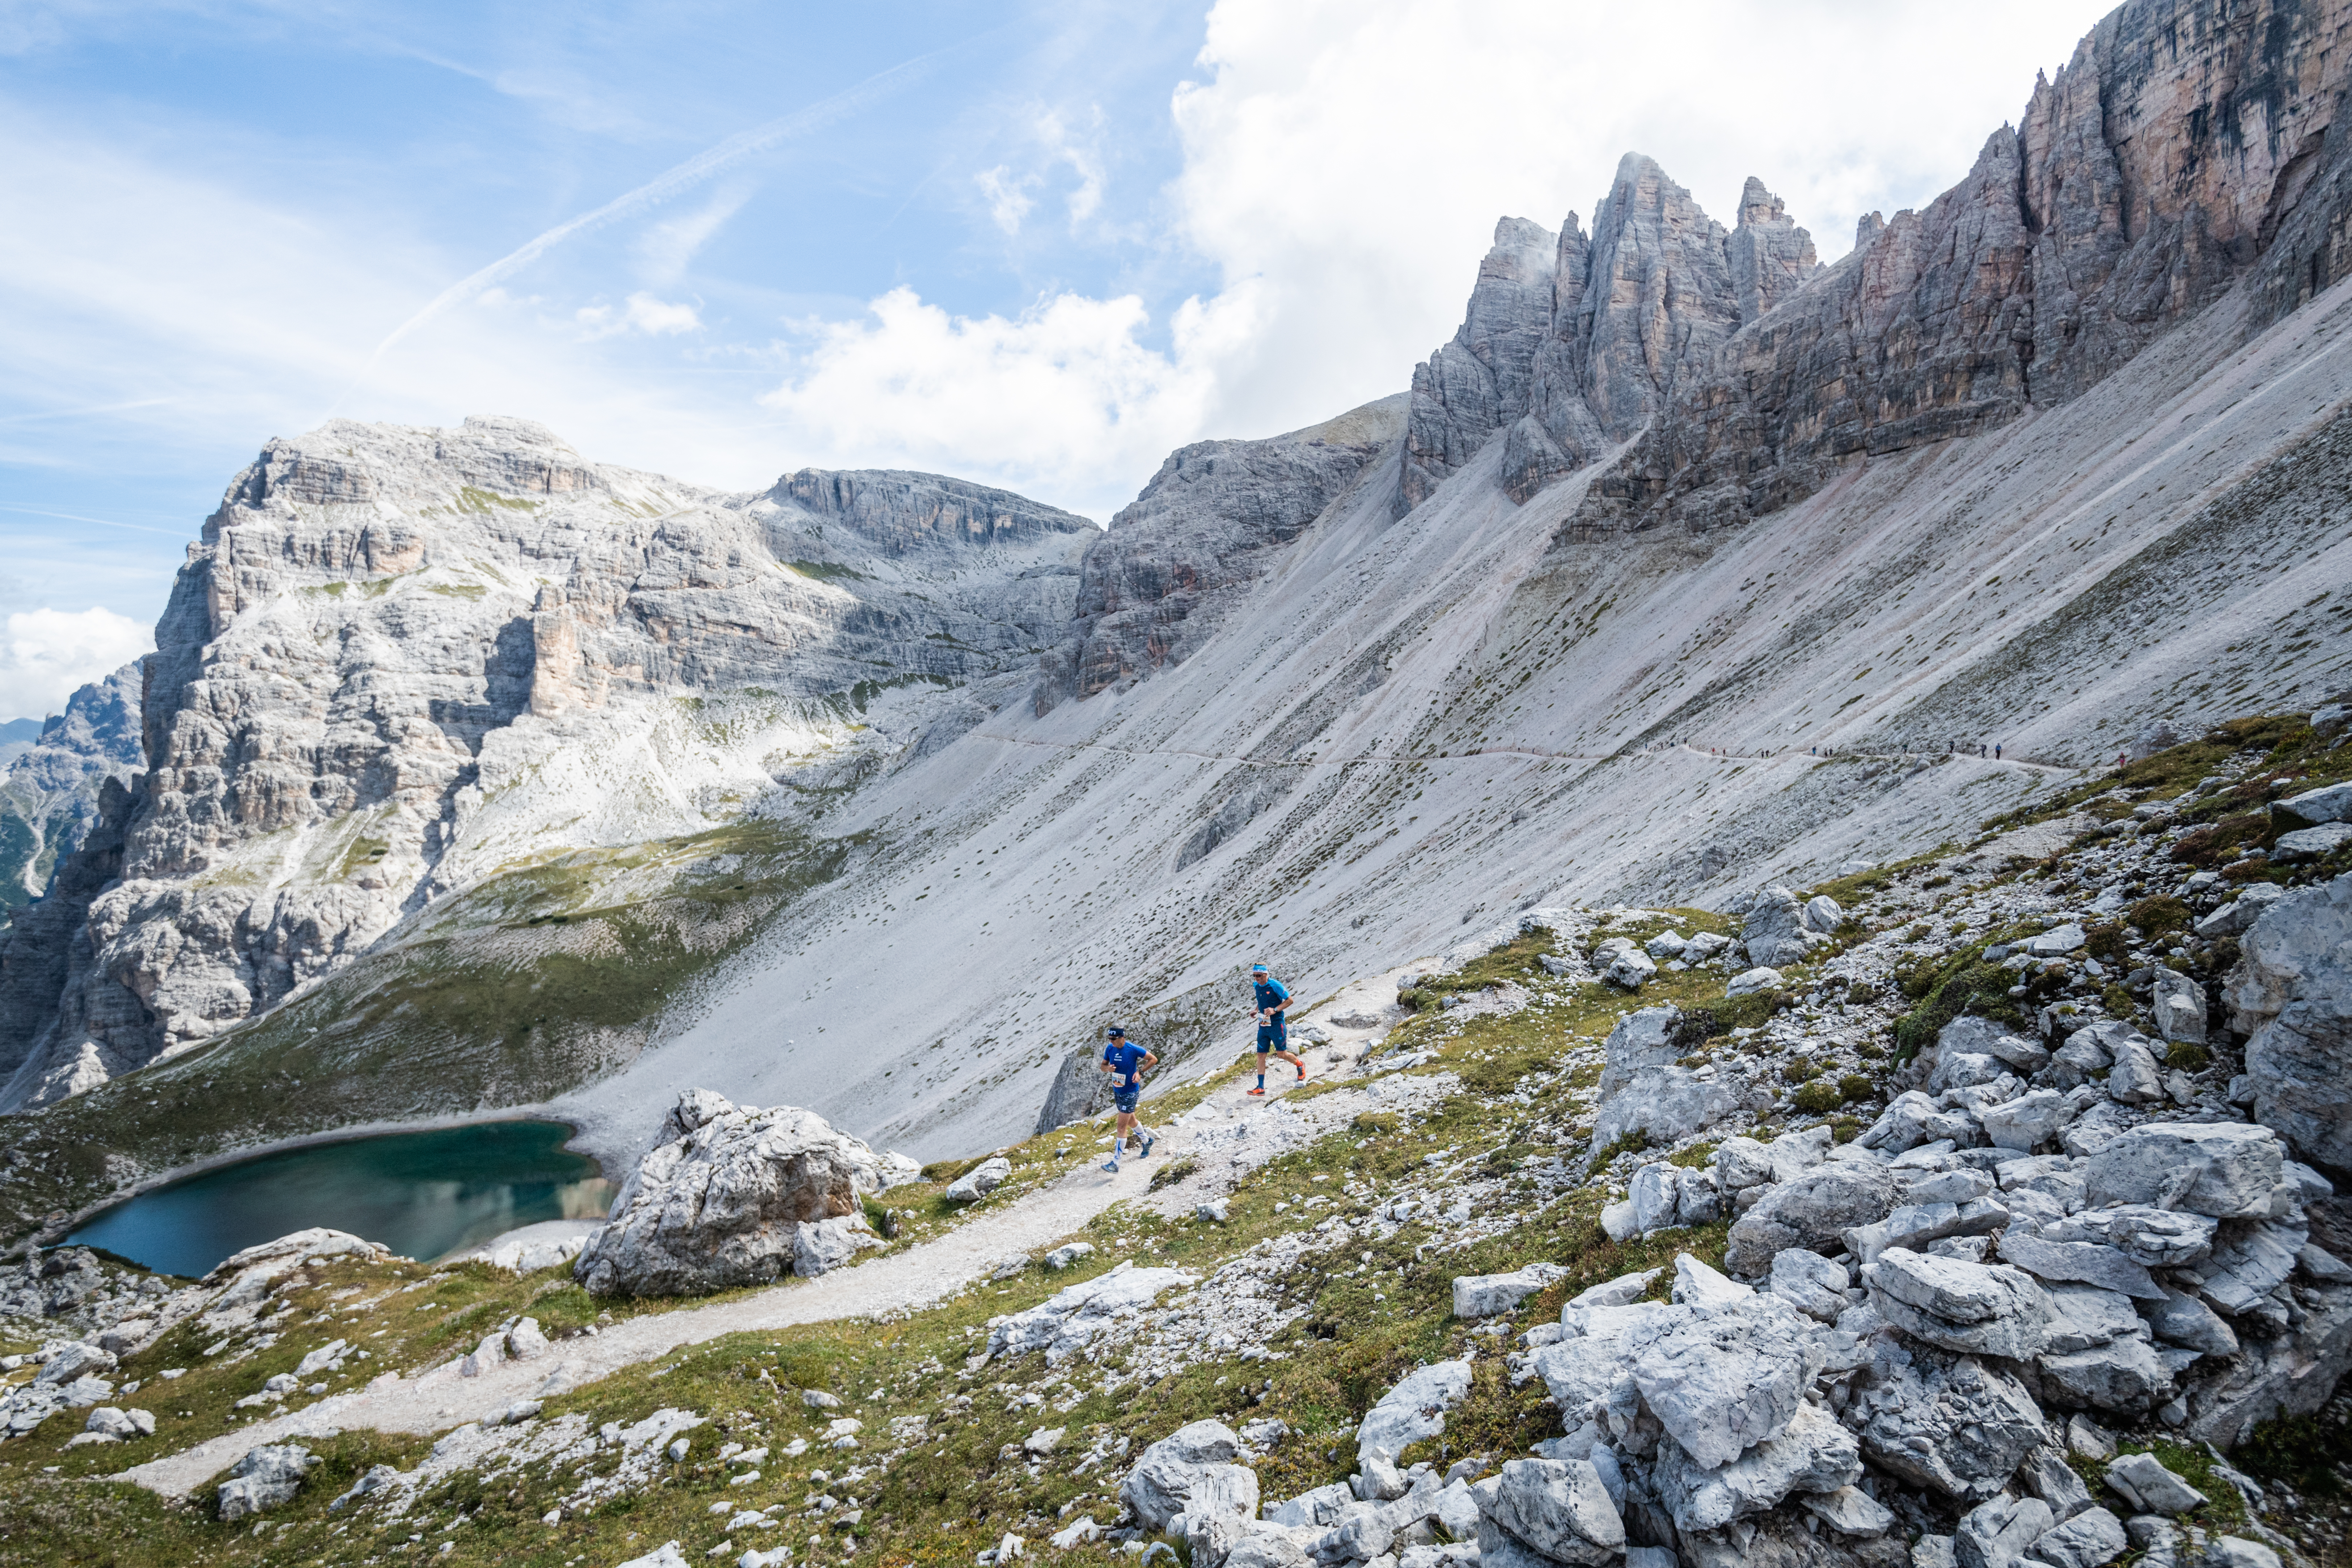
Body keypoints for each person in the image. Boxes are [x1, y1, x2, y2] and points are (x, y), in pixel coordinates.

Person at [1098, 1025, 1157, 1172]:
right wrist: (1108, 1069)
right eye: (1109, 1039)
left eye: (1114, 1039)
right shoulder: (1110, 1049)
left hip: (1131, 1092)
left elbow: (1153, 1059)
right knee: (1131, 1121)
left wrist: (1140, 1073)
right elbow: (1103, 1066)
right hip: (1118, 1090)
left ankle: (1115, 1164)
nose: (1111, 1042)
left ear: (1122, 1037)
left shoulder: (1133, 1049)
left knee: (1121, 1127)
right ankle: (1147, 1141)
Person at [1247, 963, 1306, 1096]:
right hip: (1263, 1022)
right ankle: (1260, 1087)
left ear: (1266, 974)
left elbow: (1290, 1000)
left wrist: (1275, 1010)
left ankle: (1300, 1064)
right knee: (1261, 1055)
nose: (1256, 979)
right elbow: (1261, 999)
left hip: (1277, 1024)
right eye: (1254, 976)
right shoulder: (1257, 985)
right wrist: (1256, 1010)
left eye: (1259, 976)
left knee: (1282, 1055)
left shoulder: (1275, 986)